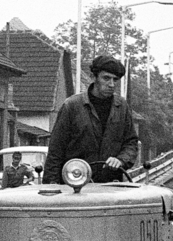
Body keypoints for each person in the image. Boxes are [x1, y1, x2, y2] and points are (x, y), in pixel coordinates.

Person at [42, 54, 140, 183]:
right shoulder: (72, 106)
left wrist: (121, 160)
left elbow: (131, 142)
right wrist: (51, 187)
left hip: (110, 185)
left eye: (115, 80)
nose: (111, 84)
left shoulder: (122, 107)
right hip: (74, 184)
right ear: (94, 77)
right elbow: (56, 150)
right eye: (106, 78)